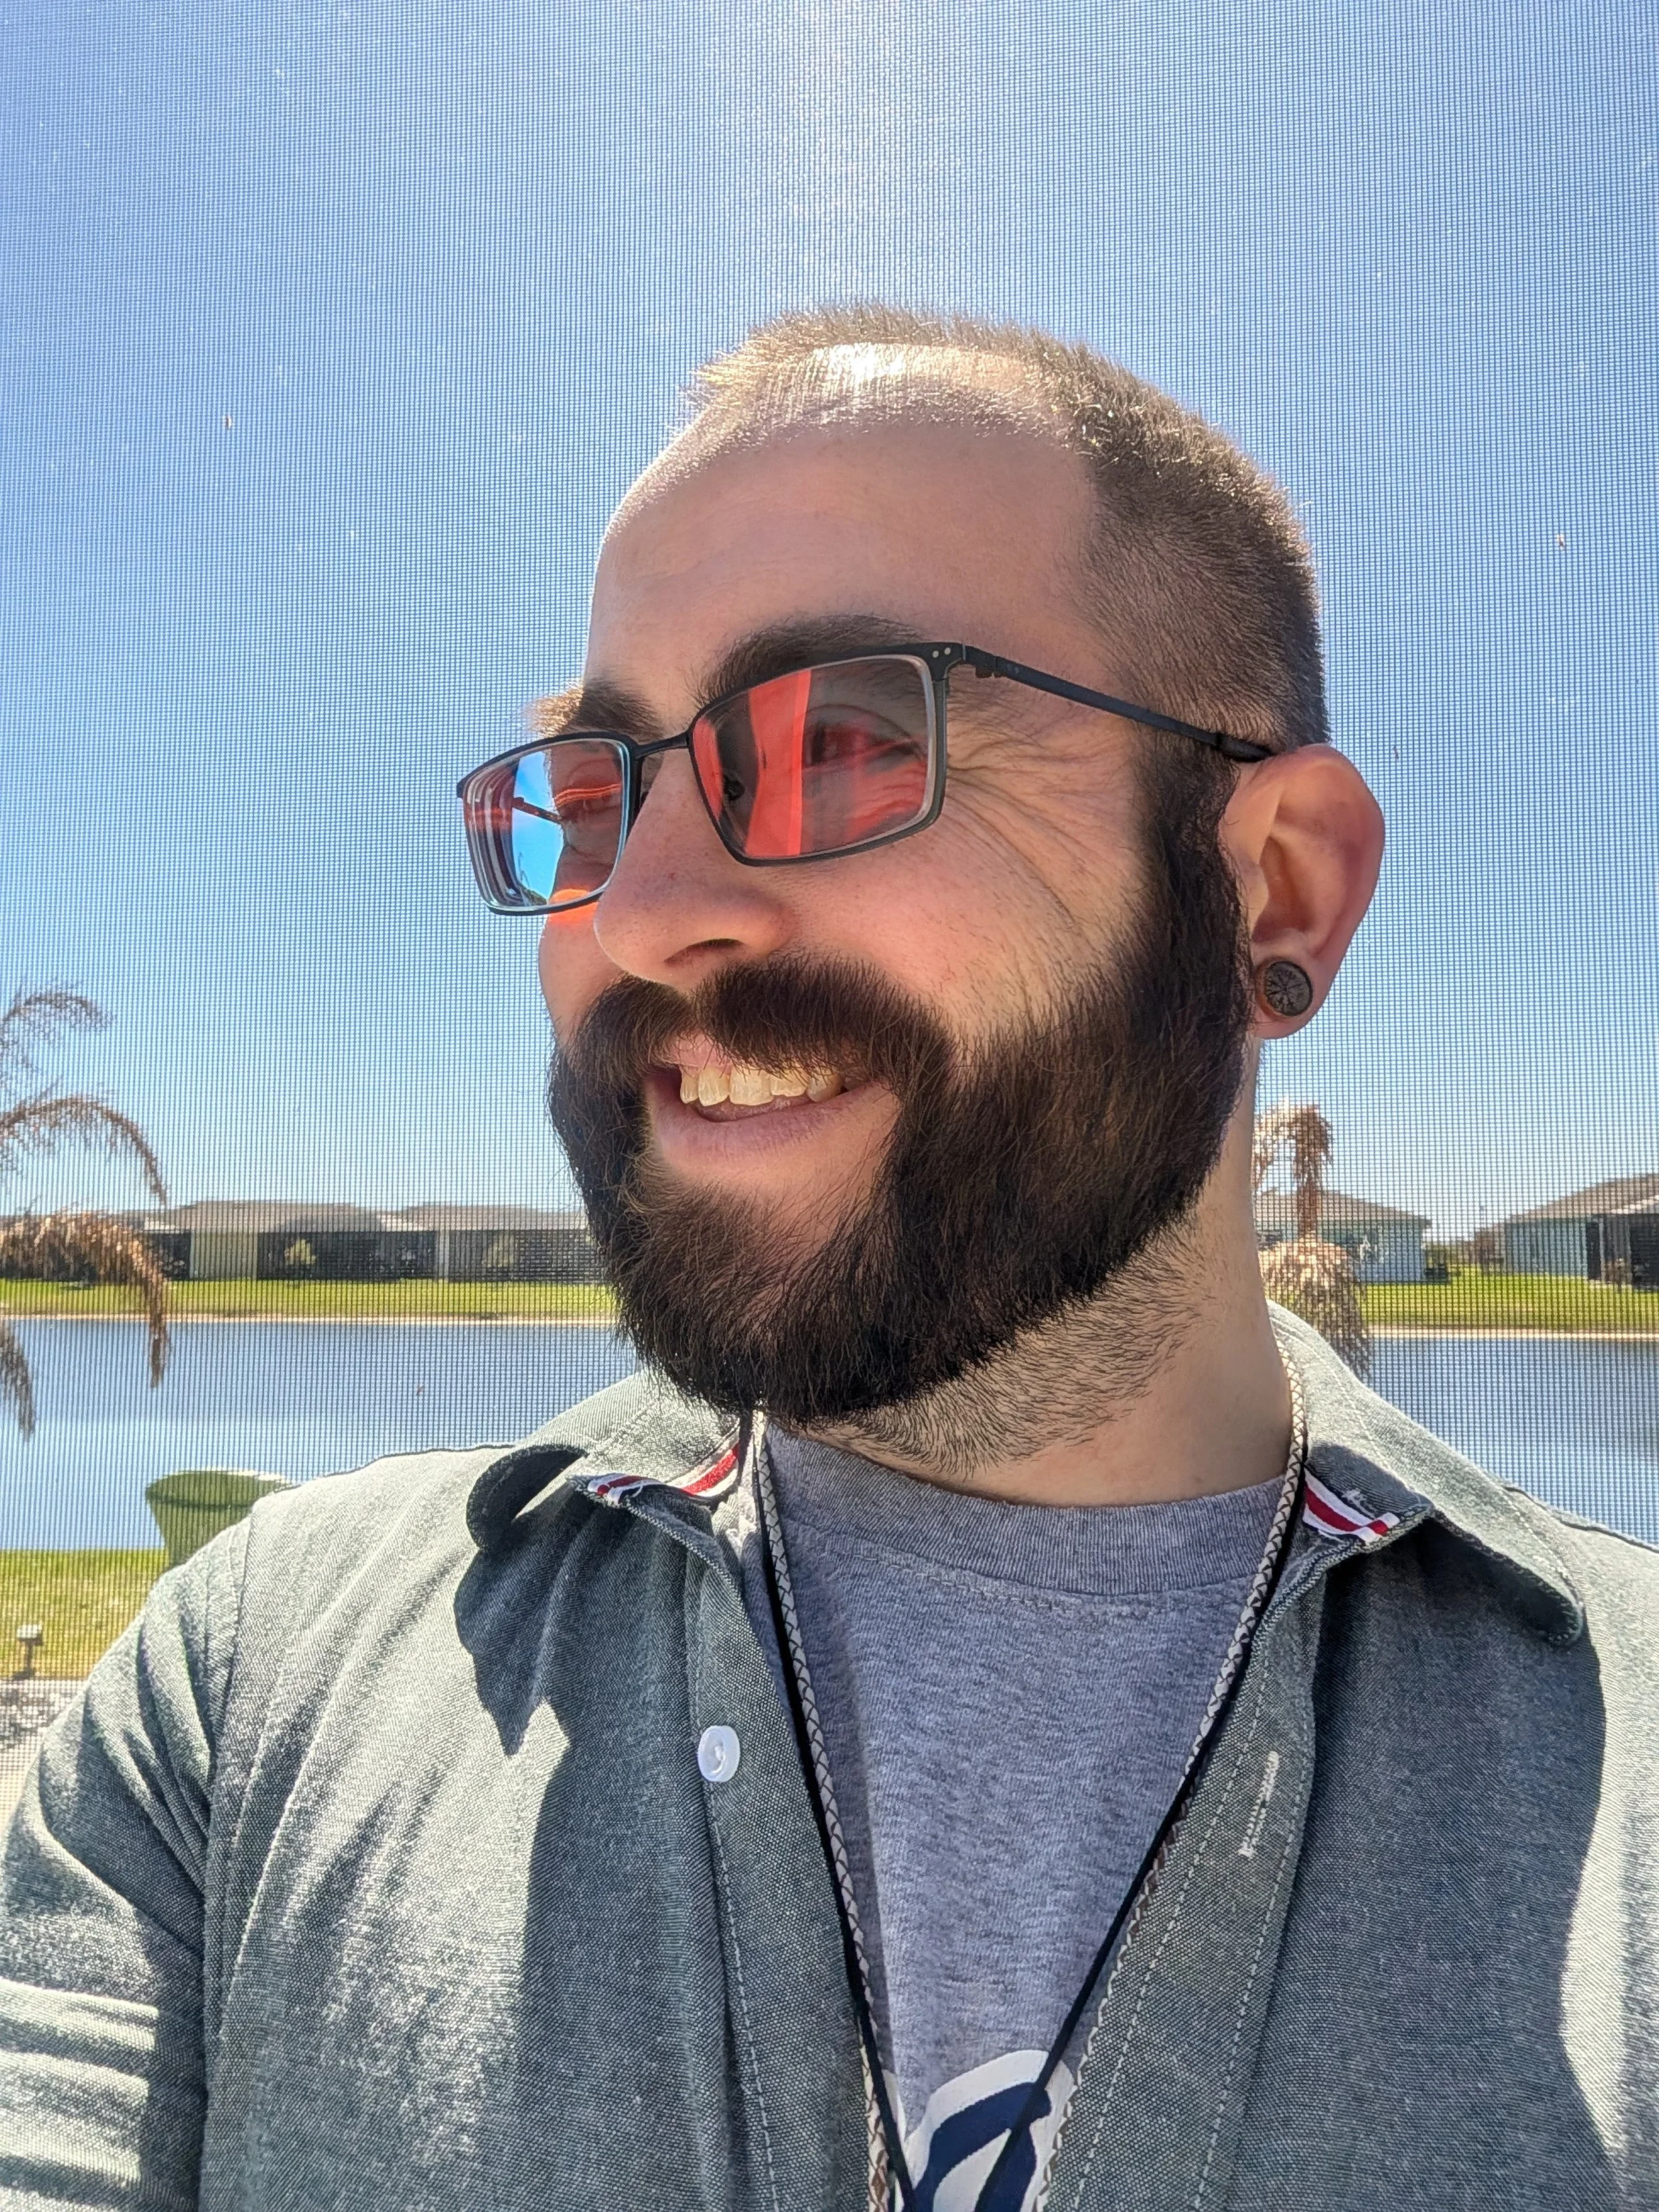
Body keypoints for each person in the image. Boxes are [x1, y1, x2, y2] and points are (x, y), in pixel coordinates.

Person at [3, 307, 1656, 2212]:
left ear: (1268, 889)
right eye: (595, 797)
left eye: (843, 740)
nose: (637, 913)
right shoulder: (258, 1689)